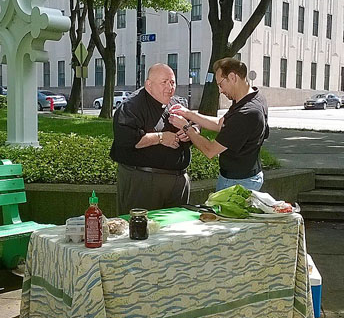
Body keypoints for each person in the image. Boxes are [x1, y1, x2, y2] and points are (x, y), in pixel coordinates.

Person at [168, 57, 269, 191]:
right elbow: (221, 124)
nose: (220, 90)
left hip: (237, 183)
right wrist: (189, 114)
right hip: (247, 177)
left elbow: (210, 150)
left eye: (220, 84)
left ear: (233, 77)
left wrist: (186, 128)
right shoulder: (252, 97)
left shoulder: (246, 113)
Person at [110, 63, 192, 215]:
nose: (170, 87)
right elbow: (127, 140)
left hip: (178, 182)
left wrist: (188, 132)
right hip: (144, 181)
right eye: (164, 82)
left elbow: (195, 127)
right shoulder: (131, 107)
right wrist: (160, 138)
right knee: (141, 233)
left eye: (172, 82)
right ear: (149, 84)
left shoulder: (178, 103)